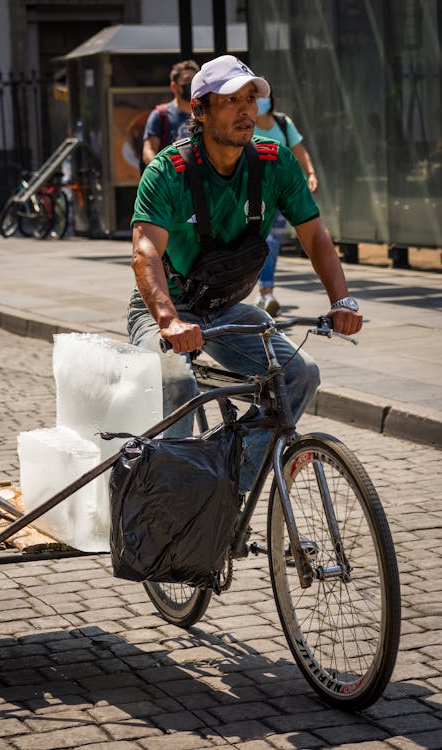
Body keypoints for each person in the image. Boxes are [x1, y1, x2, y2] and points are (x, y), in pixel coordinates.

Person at [128, 54, 362, 493]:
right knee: (176, 384)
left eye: (250, 99)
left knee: (300, 374)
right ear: (199, 110)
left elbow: (314, 236)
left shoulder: (275, 162)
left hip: (228, 308)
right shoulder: (168, 171)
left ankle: (232, 487)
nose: (246, 110)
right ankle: (175, 505)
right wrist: (169, 320)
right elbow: (145, 252)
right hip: (166, 308)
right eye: (231, 100)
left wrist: (341, 299)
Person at [254, 91, 318, 316]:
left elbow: (299, 151)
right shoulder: (245, 124)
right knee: (258, 242)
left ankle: (266, 292)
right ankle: (258, 291)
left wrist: (310, 173)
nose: (260, 101)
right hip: (252, 196)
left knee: (271, 242)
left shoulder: (282, 123)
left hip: (280, 194)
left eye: (263, 96)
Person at [141, 59, 199, 169]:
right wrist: (162, 173)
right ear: (174, 86)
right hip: (172, 180)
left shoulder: (205, 114)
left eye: (195, 80)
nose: (192, 85)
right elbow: (148, 151)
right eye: (187, 80)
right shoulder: (161, 115)